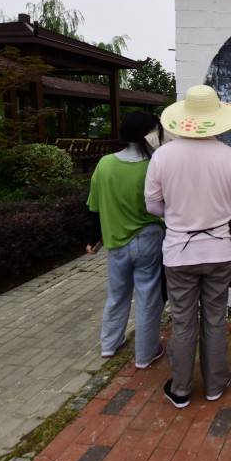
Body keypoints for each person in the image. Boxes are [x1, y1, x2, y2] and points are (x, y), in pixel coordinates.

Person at [145, 84, 231, 409]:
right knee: (215, 317)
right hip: (220, 250)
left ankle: (180, 389)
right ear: (216, 118)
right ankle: (215, 385)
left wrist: (178, 215)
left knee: (182, 320)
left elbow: (151, 205)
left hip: (178, 253)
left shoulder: (162, 156)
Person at [85, 111, 167, 369]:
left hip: (116, 242)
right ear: (148, 134)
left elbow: (93, 208)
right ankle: (145, 355)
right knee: (147, 297)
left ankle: (109, 345)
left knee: (117, 295)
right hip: (150, 240)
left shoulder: (105, 164)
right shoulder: (153, 165)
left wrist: (93, 239)